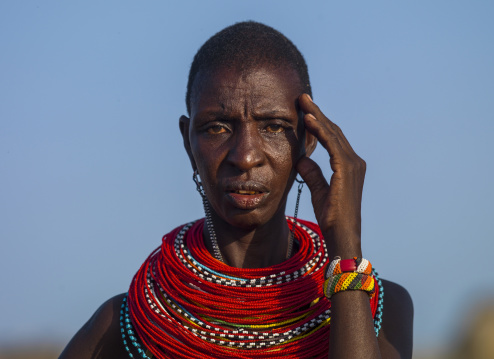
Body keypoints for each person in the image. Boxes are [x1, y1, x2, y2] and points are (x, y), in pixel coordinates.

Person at [60, 21, 413, 358]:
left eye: (274, 127)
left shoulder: (384, 311)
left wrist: (346, 247)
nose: (245, 156)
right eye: (217, 128)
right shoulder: (126, 326)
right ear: (187, 142)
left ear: (309, 141)